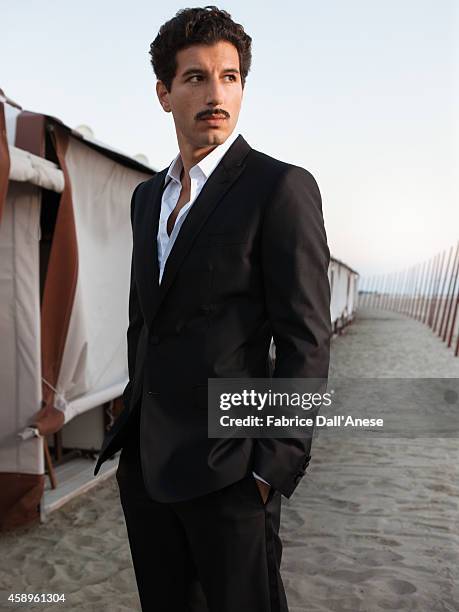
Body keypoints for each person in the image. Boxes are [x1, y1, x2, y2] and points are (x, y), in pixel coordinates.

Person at [94, 6, 331, 611]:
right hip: (148, 469)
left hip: (232, 471)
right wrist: (133, 431)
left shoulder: (280, 188)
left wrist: (270, 469)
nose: (215, 92)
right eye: (196, 77)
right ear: (164, 93)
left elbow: (306, 340)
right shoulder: (148, 198)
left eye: (229, 77)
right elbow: (144, 321)